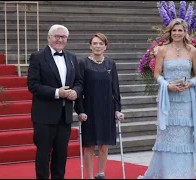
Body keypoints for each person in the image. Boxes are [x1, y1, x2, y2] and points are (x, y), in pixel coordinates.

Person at [138, 18, 196, 179]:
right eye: (174, 30)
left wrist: (190, 84)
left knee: (184, 136)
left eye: (180, 30)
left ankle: (184, 174)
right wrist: (166, 85)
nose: (177, 33)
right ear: (170, 32)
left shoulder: (192, 51)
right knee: (166, 135)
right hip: (168, 99)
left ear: (185, 32)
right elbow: (157, 74)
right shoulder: (162, 50)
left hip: (186, 100)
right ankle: (166, 174)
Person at [27, 24, 83, 179]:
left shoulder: (71, 57)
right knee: (43, 154)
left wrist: (75, 92)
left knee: (61, 155)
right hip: (44, 115)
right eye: (57, 36)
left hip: (64, 115)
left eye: (63, 37)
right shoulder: (37, 57)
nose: (60, 39)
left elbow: (79, 82)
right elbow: (33, 85)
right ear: (49, 37)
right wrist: (57, 92)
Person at [74, 33, 125, 179]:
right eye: (95, 43)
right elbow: (79, 88)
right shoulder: (83, 64)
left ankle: (100, 174)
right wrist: (80, 110)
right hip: (89, 109)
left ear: (105, 47)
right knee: (89, 146)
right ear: (90, 46)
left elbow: (115, 88)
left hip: (107, 109)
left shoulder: (110, 64)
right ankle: (90, 177)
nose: (98, 46)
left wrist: (117, 110)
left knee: (104, 145)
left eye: (101, 44)